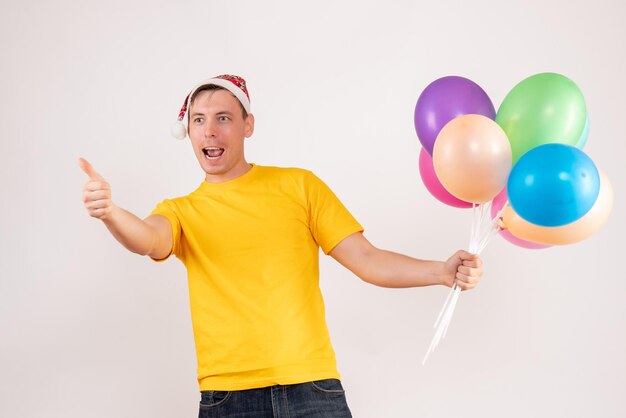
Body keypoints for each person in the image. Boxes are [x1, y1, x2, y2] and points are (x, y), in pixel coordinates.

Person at [79, 74, 483, 418]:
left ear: (247, 125)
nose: (210, 131)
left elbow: (367, 259)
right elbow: (149, 238)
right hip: (227, 398)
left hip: (312, 389)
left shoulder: (298, 186)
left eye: (223, 118)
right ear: (188, 131)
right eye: (198, 120)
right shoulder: (180, 212)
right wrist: (111, 212)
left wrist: (441, 272)